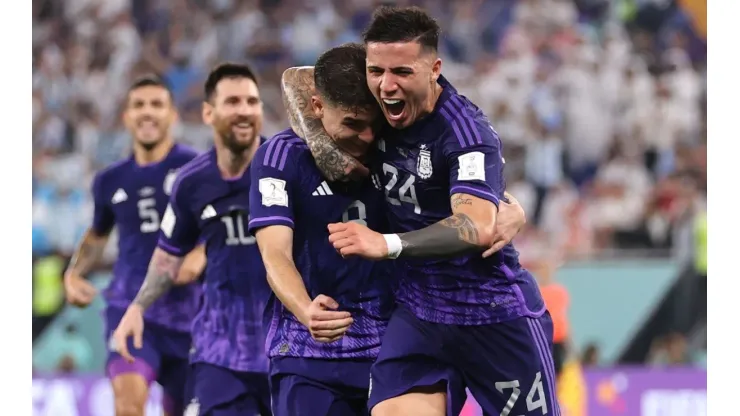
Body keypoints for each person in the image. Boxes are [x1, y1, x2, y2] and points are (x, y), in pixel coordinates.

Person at [286, 6, 560, 416]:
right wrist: (328, 151)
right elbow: (295, 81)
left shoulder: (467, 134)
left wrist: (387, 244)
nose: (386, 85)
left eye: (401, 72)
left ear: (434, 68)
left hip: (493, 312)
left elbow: (476, 226)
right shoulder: (376, 106)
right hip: (420, 315)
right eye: (376, 71)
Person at [248, 43, 409, 416]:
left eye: (374, 122)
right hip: (307, 354)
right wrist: (306, 310)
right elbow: (274, 253)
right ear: (317, 107)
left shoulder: (398, 147)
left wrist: (507, 205)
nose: (368, 137)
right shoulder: (279, 157)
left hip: (393, 350)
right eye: (353, 123)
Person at [112, 63, 272, 416]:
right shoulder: (191, 183)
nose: (244, 110)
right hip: (220, 354)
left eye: (252, 101)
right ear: (208, 113)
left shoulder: (287, 165)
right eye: (233, 101)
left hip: (287, 350)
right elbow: (167, 255)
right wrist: (138, 307)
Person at [63, 75, 202, 416]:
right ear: (126, 117)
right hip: (129, 308)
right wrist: (73, 274)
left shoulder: (197, 168)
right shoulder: (109, 180)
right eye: (138, 105)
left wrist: (200, 255)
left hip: (191, 316)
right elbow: (97, 235)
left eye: (157, 104)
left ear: (173, 116)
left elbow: (221, 229)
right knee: (128, 405)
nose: (147, 112)